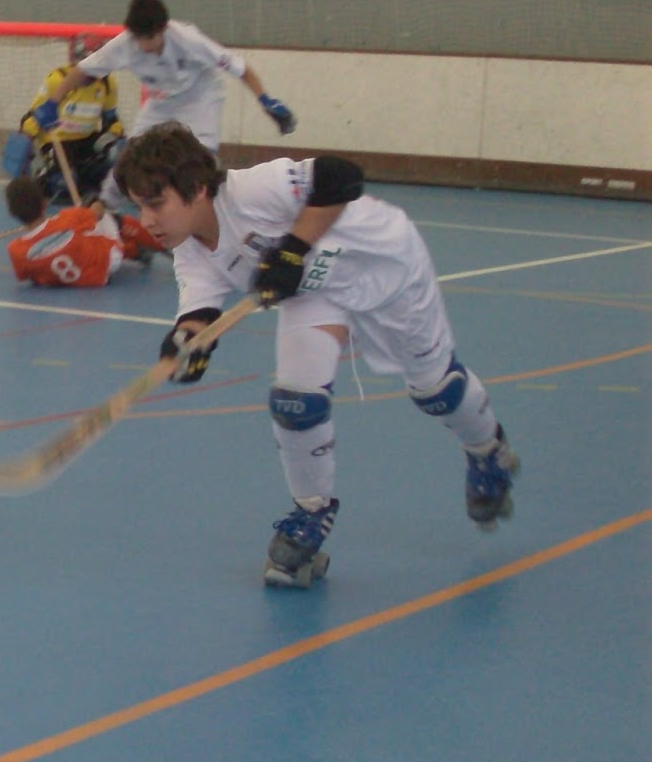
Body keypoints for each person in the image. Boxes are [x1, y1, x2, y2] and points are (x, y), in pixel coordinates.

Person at [111, 123, 519, 588]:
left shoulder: (252, 190)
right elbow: (199, 311)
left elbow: (341, 176)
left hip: (384, 266)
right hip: (315, 293)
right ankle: (311, 512)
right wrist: (187, 342)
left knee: (436, 390)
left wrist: (292, 250)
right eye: (139, 206)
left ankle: (488, 451)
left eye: (156, 203)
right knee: (295, 401)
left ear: (198, 189)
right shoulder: (189, 249)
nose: (146, 220)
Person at [41, 0, 294, 207]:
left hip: (201, 95)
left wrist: (265, 100)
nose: (142, 45)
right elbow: (82, 71)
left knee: (200, 159)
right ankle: (104, 206)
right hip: (161, 99)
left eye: (148, 38)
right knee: (131, 155)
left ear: (163, 30)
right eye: (138, 38)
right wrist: (53, 102)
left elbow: (241, 69)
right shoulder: (125, 44)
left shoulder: (188, 40)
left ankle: (214, 210)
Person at [2, 35, 123, 204]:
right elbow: (33, 116)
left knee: (115, 159)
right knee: (62, 184)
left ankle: (86, 179)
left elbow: (111, 119)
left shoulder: (107, 84)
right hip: (57, 141)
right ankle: (46, 176)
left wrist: (115, 136)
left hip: (87, 139)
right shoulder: (57, 80)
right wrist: (27, 142)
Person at [3, 175, 163, 287]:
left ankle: (137, 251)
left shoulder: (15, 250)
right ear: (44, 203)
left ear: (12, 213)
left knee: (82, 236)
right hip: (106, 263)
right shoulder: (67, 217)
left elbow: (27, 276)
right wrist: (92, 204)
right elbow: (98, 212)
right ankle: (158, 242)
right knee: (111, 219)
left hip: (80, 279)